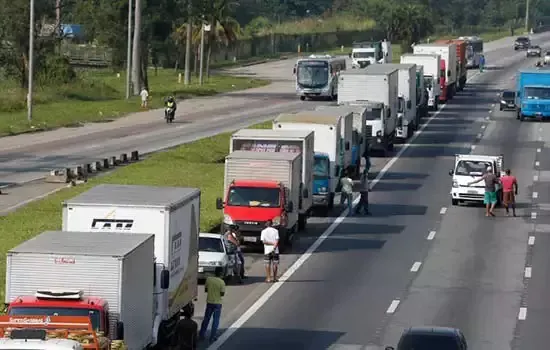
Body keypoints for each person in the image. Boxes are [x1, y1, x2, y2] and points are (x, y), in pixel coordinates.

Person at [198, 267, 225, 344]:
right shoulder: (222, 282)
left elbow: (206, 290)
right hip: (218, 303)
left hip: (209, 302)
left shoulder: (209, 279)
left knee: (206, 319)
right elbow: (222, 294)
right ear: (221, 273)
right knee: (215, 320)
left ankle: (201, 335)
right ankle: (212, 337)